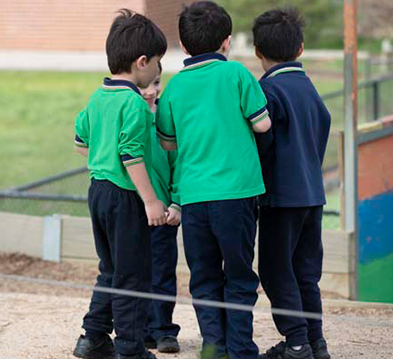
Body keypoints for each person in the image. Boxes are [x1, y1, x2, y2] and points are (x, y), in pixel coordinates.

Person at [155, 2, 271, 358]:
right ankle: (241, 348)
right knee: (239, 274)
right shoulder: (237, 75)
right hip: (237, 194)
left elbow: (167, 142)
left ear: (185, 46)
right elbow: (262, 123)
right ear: (227, 41)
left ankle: (214, 346)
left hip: (192, 197)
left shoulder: (174, 87)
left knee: (203, 276)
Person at [72, 9, 168, 359]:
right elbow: (131, 156)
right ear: (143, 62)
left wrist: (103, 161)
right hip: (126, 197)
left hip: (98, 190)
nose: (158, 70)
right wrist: (151, 201)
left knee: (111, 269)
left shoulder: (98, 97)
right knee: (133, 276)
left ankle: (93, 337)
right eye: (158, 62)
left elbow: (81, 140)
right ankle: (130, 349)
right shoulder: (134, 103)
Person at [252, 8, 332, 359]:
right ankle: (316, 341)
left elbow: (262, 144)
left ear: (257, 52)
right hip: (313, 194)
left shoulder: (267, 90)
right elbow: (323, 127)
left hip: (281, 197)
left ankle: (296, 342)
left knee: (274, 268)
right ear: (300, 48)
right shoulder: (308, 87)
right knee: (306, 271)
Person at [139, 64, 182, 354]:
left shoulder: (167, 120)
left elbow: (179, 164)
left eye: (156, 83)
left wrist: (177, 202)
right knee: (133, 273)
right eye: (144, 86)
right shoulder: (127, 115)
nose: (151, 91)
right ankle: (138, 330)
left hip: (164, 214)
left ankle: (163, 330)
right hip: (133, 213)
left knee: (163, 273)